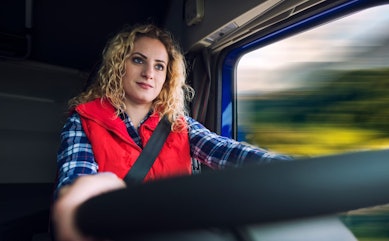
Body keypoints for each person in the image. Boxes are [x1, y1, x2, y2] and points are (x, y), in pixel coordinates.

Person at [52, 23, 292, 241]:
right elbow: (76, 178)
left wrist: (289, 170)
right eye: (138, 60)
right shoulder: (84, 120)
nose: (149, 73)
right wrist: (80, 200)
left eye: (159, 66)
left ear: (167, 77)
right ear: (118, 65)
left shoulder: (178, 123)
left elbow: (225, 150)